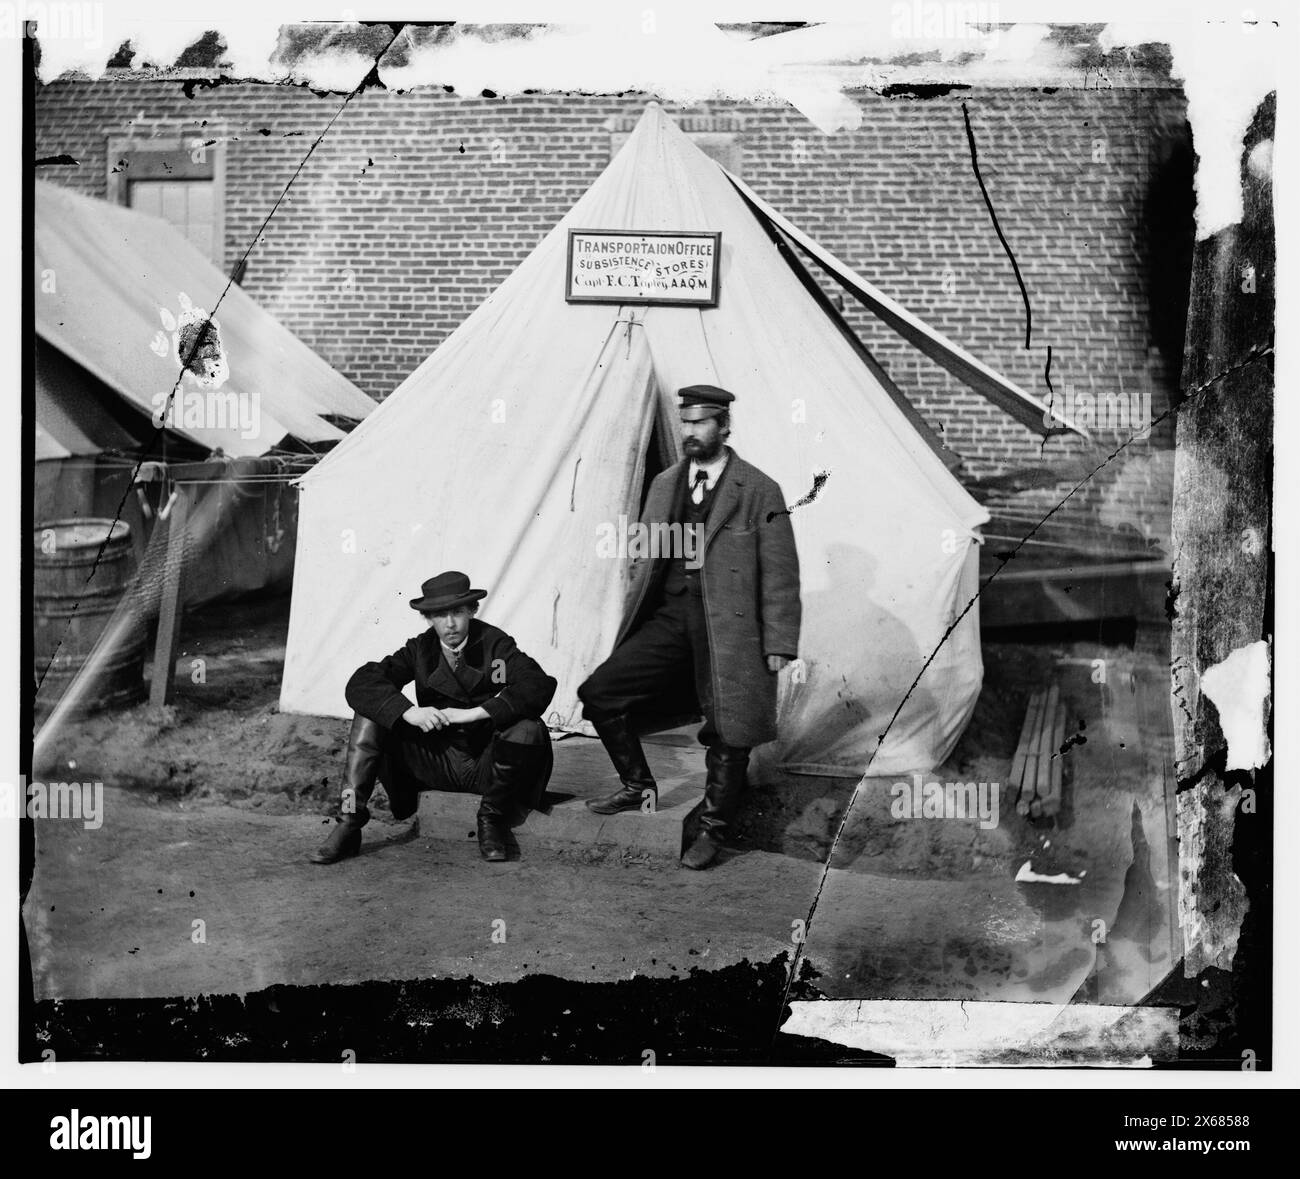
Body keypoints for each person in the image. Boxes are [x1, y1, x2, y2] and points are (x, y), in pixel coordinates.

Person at [577, 384, 801, 870]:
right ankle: (637, 786)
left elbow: (781, 572)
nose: (690, 433)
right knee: (600, 692)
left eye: (701, 423)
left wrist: (779, 642)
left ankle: (714, 830)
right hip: (672, 617)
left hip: (730, 626)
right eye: (685, 423)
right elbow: (645, 553)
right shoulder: (665, 483)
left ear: (725, 426)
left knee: (729, 727)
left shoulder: (759, 489)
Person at [310, 570, 556, 864]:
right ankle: (349, 821)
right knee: (371, 712)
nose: (450, 624)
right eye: (440, 615)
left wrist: (474, 714)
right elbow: (363, 682)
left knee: (529, 727)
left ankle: (491, 820)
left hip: (488, 764)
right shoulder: (420, 649)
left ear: (472, 610)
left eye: (457, 612)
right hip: (438, 761)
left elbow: (537, 684)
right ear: (428, 618)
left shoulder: (495, 645)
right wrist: (409, 712)